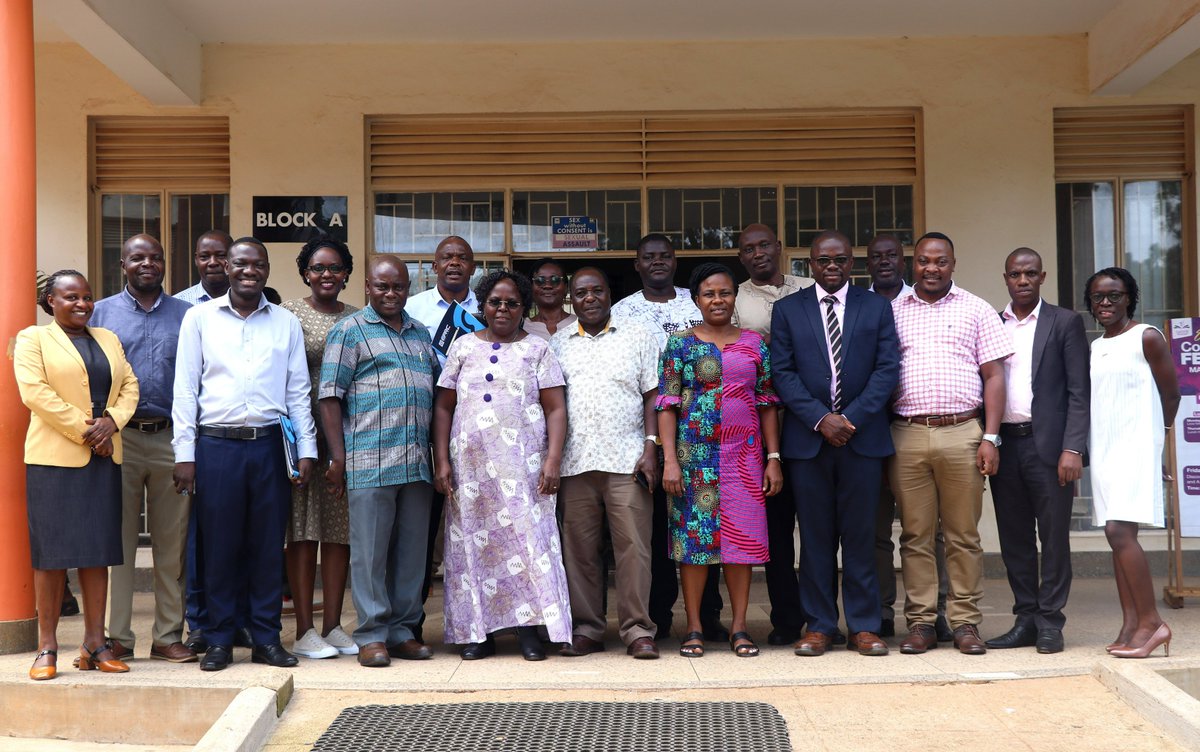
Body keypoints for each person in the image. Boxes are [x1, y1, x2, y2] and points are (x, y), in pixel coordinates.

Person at [172, 237, 317, 671]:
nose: (248, 271)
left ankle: (267, 639)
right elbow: (185, 390)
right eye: (240, 263)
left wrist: (305, 449)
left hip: (270, 446)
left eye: (257, 264)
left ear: (267, 269)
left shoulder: (286, 322)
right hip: (216, 446)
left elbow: (297, 391)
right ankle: (218, 639)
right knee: (219, 547)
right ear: (227, 269)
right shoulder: (198, 319)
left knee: (267, 547)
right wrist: (185, 453)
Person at [432, 269, 572, 660]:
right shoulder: (462, 348)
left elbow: (556, 407)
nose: (503, 309)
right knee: (474, 548)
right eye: (495, 302)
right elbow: (443, 407)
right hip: (470, 472)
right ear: (483, 306)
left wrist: (553, 460)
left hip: (524, 468)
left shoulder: (538, 350)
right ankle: (477, 633)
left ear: (523, 307)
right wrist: (441, 460)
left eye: (512, 302)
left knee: (527, 545)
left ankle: (528, 631)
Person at [772, 231, 899, 657]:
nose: (832, 266)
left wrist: (850, 419)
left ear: (852, 263)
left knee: (861, 536)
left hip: (862, 441)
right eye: (824, 260)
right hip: (809, 444)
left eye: (840, 260)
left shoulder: (876, 307)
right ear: (809, 264)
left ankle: (864, 626)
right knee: (814, 537)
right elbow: (782, 373)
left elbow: (887, 369)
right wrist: (821, 419)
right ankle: (821, 625)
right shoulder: (788, 310)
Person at [890, 232, 1012, 656]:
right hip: (905, 433)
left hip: (963, 432)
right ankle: (922, 622)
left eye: (940, 261)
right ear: (913, 264)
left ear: (953, 265)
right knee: (915, 535)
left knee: (963, 535)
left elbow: (995, 375)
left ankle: (965, 623)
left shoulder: (976, 309)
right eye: (924, 261)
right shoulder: (893, 312)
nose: (931, 268)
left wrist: (991, 436)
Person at [15, 270, 139, 680]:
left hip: (104, 458)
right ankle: (47, 646)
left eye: (87, 297)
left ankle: (94, 644)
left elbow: (130, 388)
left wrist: (112, 423)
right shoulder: (33, 339)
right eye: (71, 297)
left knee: (97, 552)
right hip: (54, 461)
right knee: (51, 557)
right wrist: (90, 431)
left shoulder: (109, 339)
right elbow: (35, 393)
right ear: (51, 301)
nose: (82, 304)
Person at [657, 263, 783, 658]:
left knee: (741, 545)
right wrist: (669, 461)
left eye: (725, 293)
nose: (718, 300)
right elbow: (667, 403)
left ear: (735, 297)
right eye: (709, 293)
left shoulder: (754, 344)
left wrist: (773, 457)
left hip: (745, 459)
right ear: (697, 300)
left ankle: (740, 627)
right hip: (694, 458)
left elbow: (767, 403)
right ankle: (694, 627)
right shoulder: (680, 345)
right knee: (695, 545)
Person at [320, 255, 439, 667]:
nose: (391, 294)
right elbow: (330, 396)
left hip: (416, 462)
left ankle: (403, 631)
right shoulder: (348, 332)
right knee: (369, 555)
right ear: (368, 287)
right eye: (383, 287)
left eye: (399, 287)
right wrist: (338, 457)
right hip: (370, 459)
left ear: (408, 288)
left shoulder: (421, 334)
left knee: (411, 554)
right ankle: (371, 634)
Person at [612, 234, 727, 642]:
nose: (657, 262)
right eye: (648, 257)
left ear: (675, 261)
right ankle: (659, 614)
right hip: (648, 437)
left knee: (703, 526)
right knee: (658, 531)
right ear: (637, 264)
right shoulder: (622, 311)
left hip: (699, 438)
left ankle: (708, 615)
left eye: (664, 256)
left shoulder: (694, 301)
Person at [90, 235, 194, 664]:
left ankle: (169, 635)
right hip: (119, 439)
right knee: (119, 542)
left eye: (155, 257)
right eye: (138, 257)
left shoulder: (188, 315)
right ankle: (118, 637)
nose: (147, 263)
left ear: (165, 264)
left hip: (173, 437)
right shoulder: (100, 313)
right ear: (123, 264)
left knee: (173, 543)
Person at [552, 267, 661, 660]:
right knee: (579, 551)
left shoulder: (638, 336)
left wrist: (651, 446)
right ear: (572, 299)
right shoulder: (557, 343)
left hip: (627, 461)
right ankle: (587, 628)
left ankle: (637, 630)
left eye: (597, 290)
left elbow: (654, 396)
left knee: (634, 548)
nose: (590, 298)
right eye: (581, 292)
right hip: (574, 463)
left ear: (609, 293)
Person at [985, 248, 1089, 655]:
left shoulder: (1064, 322)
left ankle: (1051, 622)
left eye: (1030, 273)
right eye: (1015, 274)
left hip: (1050, 448)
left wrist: (1072, 448)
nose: (1023, 280)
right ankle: (1025, 618)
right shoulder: (992, 323)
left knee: (1053, 537)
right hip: (1005, 444)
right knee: (1014, 539)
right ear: (1006, 278)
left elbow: (1079, 391)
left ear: (1042, 277)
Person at [1086, 267, 1178, 659]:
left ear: (1130, 298)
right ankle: (1130, 623)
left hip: (1135, 444)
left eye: (1114, 295)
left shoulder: (1147, 337)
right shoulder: (1097, 345)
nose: (1105, 303)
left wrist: (1154, 443)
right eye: (1097, 297)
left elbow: (1170, 394)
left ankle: (1153, 623)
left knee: (1120, 531)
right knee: (1114, 535)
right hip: (1106, 447)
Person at [865, 234, 950, 641]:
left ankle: (938, 612)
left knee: (930, 531)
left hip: (920, 433)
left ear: (906, 262)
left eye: (892, 256)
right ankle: (882, 613)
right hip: (874, 438)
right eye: (876, 257)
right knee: (878, 531)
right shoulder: (861, 309)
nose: (884, 262)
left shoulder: (922, 305)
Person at [280, 236, 359, 659]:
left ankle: (333, 624)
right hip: (301, 436)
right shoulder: (288, 315)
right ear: (305, 273)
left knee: (338, 531)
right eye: (317, 268)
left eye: (334, 268)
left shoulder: (359, 317)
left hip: (346, 436)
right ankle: (304, 630)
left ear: (346, 273)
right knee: (302, 530)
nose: (326, 275)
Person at [732, 223, 811, 646]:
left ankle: (820, 619)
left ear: (780, 248)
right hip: (763, 426)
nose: (758, 253)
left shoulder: (810, 287)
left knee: (816, 528)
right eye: (749, 249)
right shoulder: (736, 299)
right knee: (777, 530)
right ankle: (786, 619)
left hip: (812, 423)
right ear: (741, 257)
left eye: (765, 245)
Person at [405, 235, 478, 640]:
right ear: (434, 267)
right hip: (419, 428)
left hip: (476, 434)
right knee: (420, 529)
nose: (454, 263)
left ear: (472, 266)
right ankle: (410, 623)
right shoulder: (412, 308)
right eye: (446, 257)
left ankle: (479, 620)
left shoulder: (488, 309)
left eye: (462, 258)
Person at [175, 230, 232, 304]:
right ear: (196, 260)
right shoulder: (178, 303)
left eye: (221, 255)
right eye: (204, 256)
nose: (213, 263)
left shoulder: (249, 303)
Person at [525, 258, 576, 341]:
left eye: (555, 280)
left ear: (566, 288)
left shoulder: (580, 324)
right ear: (531, 288)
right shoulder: (522, 328)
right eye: (540, 280)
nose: (547, 286)